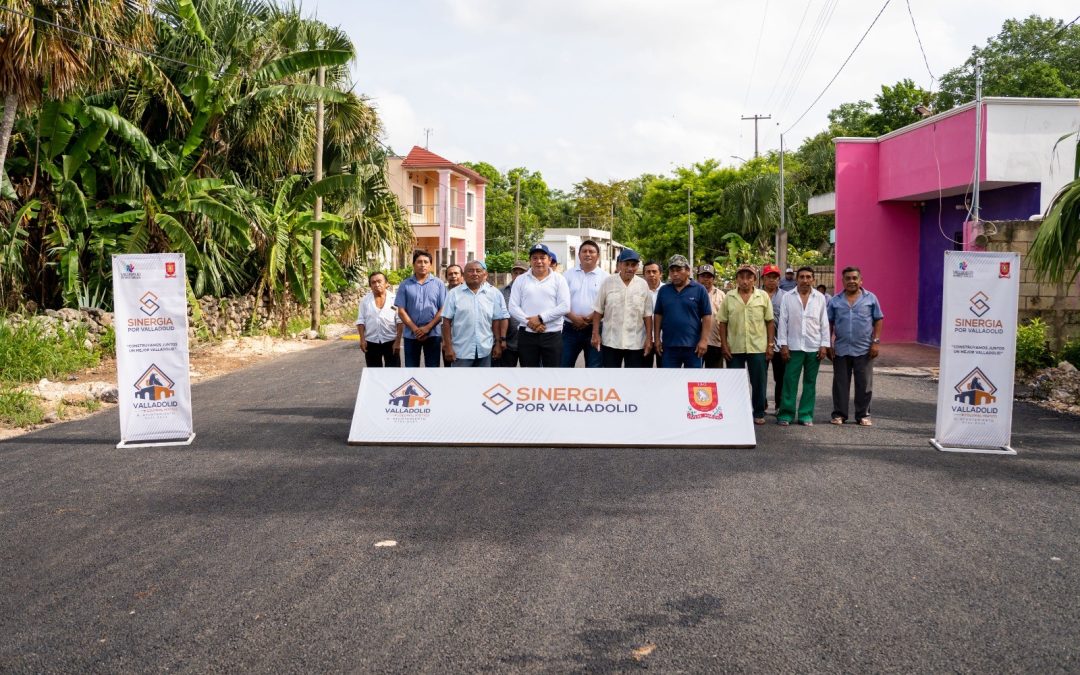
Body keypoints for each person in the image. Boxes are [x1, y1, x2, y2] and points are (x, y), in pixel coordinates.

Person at [717, 264, 774, 425]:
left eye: (749, 277)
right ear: (737, 279)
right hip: (734, 347)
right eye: (741, 277)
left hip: (758, 347)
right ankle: (737, 412)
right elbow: (723, 322)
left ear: (754, 279)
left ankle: (758, 412)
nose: (745, 281)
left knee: (758, 382)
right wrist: (724, 345)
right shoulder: (729, 297)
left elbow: (769, 321)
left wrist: (770, 344)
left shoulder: (762, 296)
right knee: (735, 382)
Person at [828, 266, 884, 426]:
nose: (851, 281)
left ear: (861, 281)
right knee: (840, 384)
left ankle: (863, 415)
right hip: (841, 349)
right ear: (842, 281)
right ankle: (839, 414)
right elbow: (829, 322)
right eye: (848, 278)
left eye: (854, 278)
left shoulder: (871, 298)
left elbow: (878, 319)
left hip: (864, 349)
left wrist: (876, 342)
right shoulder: (835, 301)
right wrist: (828, 343)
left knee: (864, 384)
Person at [776, 267, 830, 426]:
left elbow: (824, 322)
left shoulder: (820, 297)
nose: (805, 280)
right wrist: (783, 344)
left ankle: (806, 415)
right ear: (796, 279)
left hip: (814, 346)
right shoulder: (788, 297)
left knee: (810, 382)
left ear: (813, 279)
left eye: (808, 277)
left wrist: (824, 345)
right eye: (802, 277)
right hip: (793, 346)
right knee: (789, 381)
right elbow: (783, 322)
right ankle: (786, 414)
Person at [509, 243, 570, 367]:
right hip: (527, 334)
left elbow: (565, 306)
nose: (539, 261)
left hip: (552, 333)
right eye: (535, 258)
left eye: (542, 258)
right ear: (530, 261)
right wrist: (530, 323)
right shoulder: (520, 280)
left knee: (553, 373)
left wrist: (541, 318)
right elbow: (513, 307)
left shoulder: (559, 279)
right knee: (529, 372)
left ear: (549, 260)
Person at [591, 249, 653, 367]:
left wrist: (649, 338)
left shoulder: (643, 285)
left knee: (633, 376)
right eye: (626, 264)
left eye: (633, 265)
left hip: (636, 342)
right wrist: (595, 334)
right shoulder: (608, 282)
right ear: (620, 265)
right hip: (611, 341)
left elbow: (647, 314)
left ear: (637, 266)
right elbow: (598, 310)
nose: (630, 268)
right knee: (611, 376)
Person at [441, 261, 508, 367]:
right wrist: (448, 347)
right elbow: (446, 322)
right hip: (461, 351)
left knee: (483, 378)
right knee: (460, 378)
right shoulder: (453, 294)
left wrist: (498, 344)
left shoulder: (492, 294)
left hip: (485, 350)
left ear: (484, 274)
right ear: (464, 275)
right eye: (470, 271)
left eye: (478, 271)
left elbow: (496, 321)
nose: (475, 273)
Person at [654, 255, 712, 368]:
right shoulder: (664, 291)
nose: (675, 274)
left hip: (693, 347)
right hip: (669, 346)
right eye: (672, 270)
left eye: (679, 270)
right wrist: (657, 339)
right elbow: (658, 315)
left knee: (693, 378)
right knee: (669, 378)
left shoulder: (700, 290)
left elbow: (707, 316)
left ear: (688, 271)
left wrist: (704, 340)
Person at [395, 249, 446, 367]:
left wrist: (428, 328)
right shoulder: (405, 285)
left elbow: (443, 309)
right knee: (411, 369)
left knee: (432, 369)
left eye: (426, 262)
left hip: (433, 334)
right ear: (413, 264)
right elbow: (401, 311)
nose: (422, 265)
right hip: (411, 335)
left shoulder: (439, 284)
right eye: (419, 262)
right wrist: (415, 329)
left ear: (430, 265)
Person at [562, 240, 608, 368]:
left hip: (595, 329)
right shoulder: (567, 275)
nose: (587, 254)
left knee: (594, 368)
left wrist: (590, 318)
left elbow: (607, 304)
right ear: (579, 255)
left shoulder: (606, 277)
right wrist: (573, 318)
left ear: (598, 256)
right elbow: (561, 301)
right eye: (584, 251)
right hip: (570, 328)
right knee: (563, 366)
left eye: (591, 252)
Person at [355, 271, 402, 367]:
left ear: (386, 283)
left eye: (379, 281)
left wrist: (398, 342)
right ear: (370, 286)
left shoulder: (395, 299)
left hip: (391, 341)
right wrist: (362, 340)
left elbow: (400, 321)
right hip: (371, 342)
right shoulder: (365, 301)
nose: (376, 284)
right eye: (373, 282)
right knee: (374, 373)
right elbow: (361, 321)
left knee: (394, 372)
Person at [762, 263, 787, 413]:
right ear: (763, 279)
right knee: (760, 376)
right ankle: (761, 404)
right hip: (759, 343)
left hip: (779, 343)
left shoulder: (786, 296)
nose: (772, 280)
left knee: (781, 377)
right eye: (769, 277)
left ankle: (779, 405)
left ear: (779, 279)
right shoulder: (756, 295)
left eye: (775, 277)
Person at [497, 261, 528, 367]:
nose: (518, 276)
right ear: (511, 274)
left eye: (521, 273)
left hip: (529, 342)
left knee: (530, 373)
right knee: (507, 373)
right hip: (508, 342)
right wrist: (501, 340)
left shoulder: (533, 291)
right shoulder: (501, 292)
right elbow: (498, 317)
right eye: (515, 273)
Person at [695, 264, 725, 368]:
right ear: (697, 277)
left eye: (709, 276)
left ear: (713, 278)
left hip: (715, 342)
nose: (706, 279)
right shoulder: (692, 293)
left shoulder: (721, 295)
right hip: (695, 342)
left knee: (714, 375)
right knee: (695, 375)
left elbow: (725, 320)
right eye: (703, 276)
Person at [643, 260, 664, 367]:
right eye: (648, 272)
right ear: (644, 274)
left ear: (660, 274)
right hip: (643, 339)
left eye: (654, 271)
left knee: (664, 372)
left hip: (663, 339)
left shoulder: (667, 291)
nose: (651, 274)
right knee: (644, 373)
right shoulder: (639, 291)